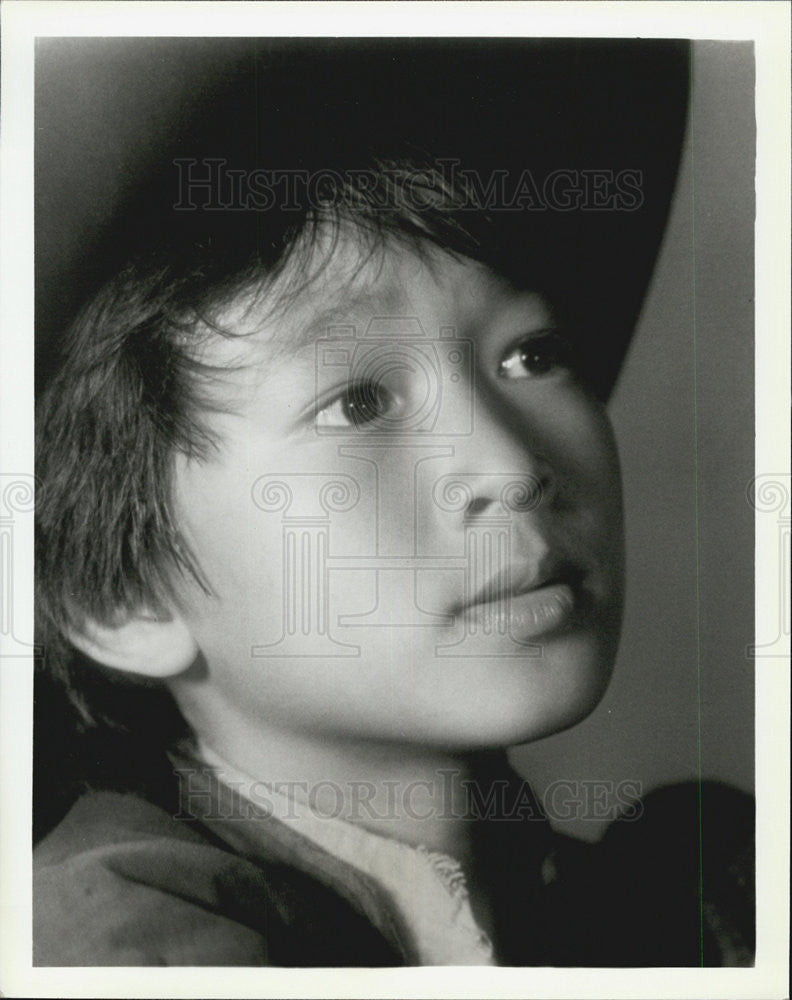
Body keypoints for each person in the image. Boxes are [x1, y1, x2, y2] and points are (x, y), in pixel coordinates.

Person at [33, 38, 754, 967]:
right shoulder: (117, 946)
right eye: (359, 402)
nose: (509, 464)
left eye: (531, 354)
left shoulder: (688, 907)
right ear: (123, 595)